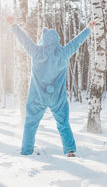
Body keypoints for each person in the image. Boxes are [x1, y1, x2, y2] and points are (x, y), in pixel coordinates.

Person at [7, 16, 96, 157]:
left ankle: (26, 151)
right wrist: (88, 28)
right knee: (63, 124)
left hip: (37, 97)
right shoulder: (63, 53)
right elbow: (77, 42)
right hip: (57, 97)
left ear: (45, 40)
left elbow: (24, 40)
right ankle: (70, 150)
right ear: (57, 40)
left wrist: (14, 25)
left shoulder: (36, 52)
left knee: (30, 124)